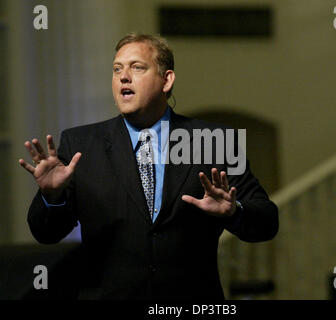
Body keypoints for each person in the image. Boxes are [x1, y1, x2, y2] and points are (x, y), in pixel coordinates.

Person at [19, 33, 278, 300]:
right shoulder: (81, 144)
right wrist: (52, 197)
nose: (123, 77)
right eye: (117, 69)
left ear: (167, 80)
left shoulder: (212, 142)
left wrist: (233, 212)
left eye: (137, 67)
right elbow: (46, 233)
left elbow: (267, 222)